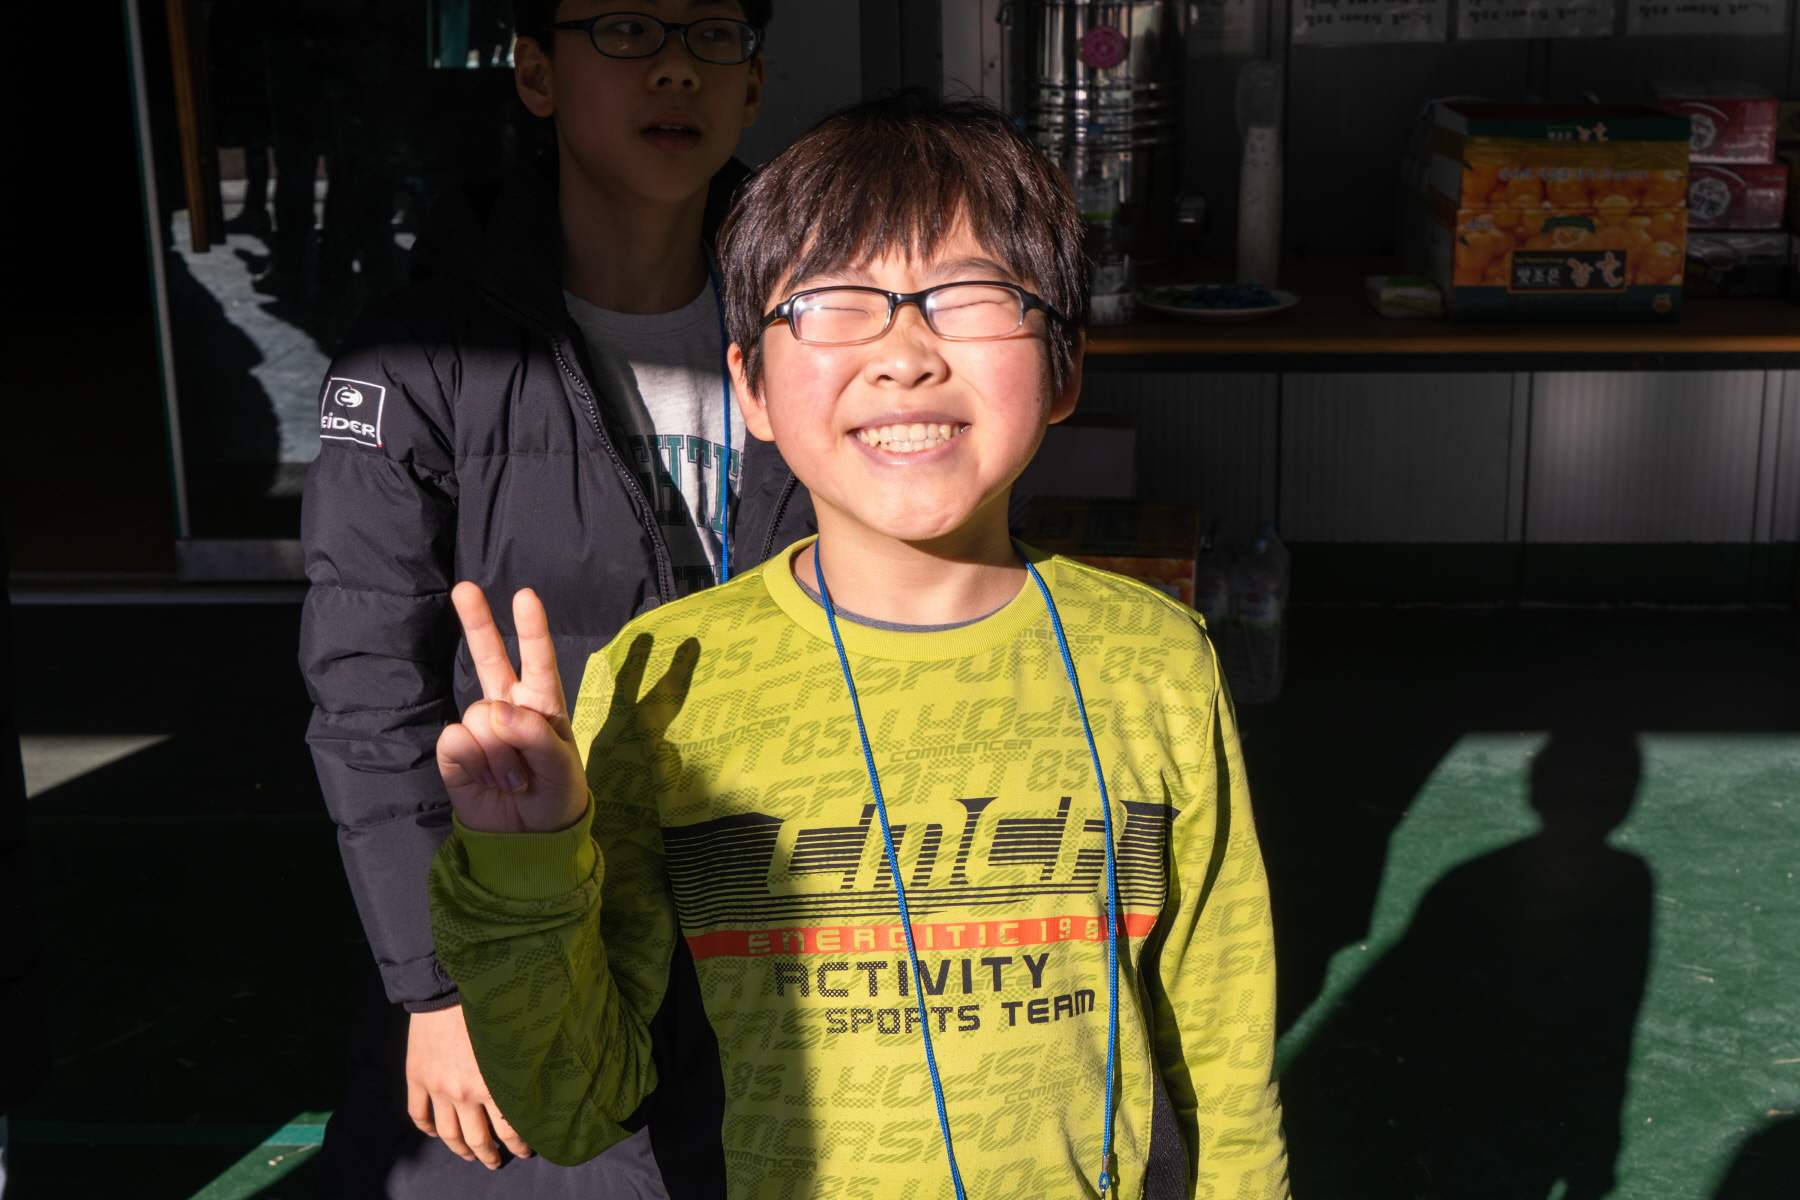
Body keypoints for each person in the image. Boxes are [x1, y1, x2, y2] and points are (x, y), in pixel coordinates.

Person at [427, 96, 1291, 1200]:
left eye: (970, 297)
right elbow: (576, 1102)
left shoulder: (1155, 658)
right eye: (833, 303)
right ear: (750, 387)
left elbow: (1222, 1044)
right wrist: (525, 866)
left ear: (1065, 369)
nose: (905, 356)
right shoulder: (662, 683)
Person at [299, 1, 812, 1194]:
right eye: (626, 28)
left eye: (713, 35)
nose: (676, 67)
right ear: (536, 73)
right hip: (526, 920)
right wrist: (435, 988)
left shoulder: (823, 324)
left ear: (753, 85)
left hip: (774, 918)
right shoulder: (418, 357)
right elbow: (367, 694)